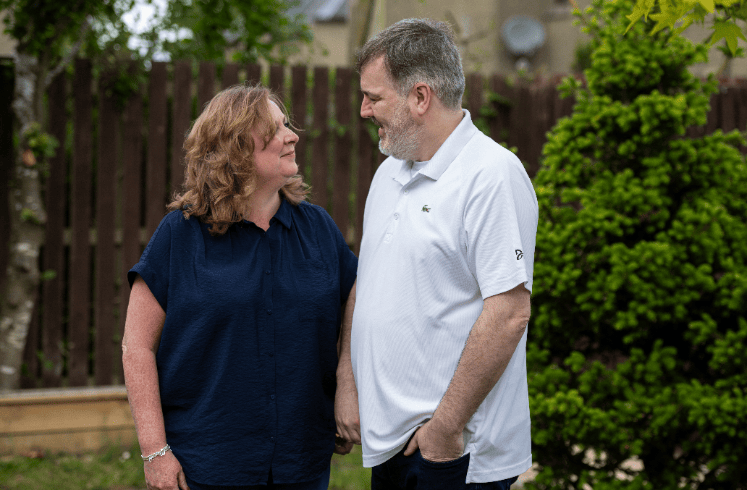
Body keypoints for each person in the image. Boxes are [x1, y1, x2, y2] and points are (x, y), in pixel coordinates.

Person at [334, 18, 538, 490]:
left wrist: (445, 429)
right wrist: (348, 381)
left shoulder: (492, 176)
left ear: (420, 97)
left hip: (455, 455)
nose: (364, 111)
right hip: (391, 446)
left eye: (374, 97)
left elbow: (508, 313)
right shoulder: (388, 173)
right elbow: (367, 284)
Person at [122, 84, 358, 490]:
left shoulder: (318, 229)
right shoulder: (179, 235)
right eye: (275, 128)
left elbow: (356, 295)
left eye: (288, 125)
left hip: (301, 462)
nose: (292, 136)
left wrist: (347, 380)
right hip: (206, 465)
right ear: (233, 147)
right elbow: (136, 347)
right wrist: (155, 451)